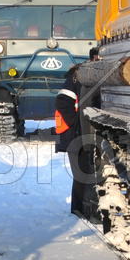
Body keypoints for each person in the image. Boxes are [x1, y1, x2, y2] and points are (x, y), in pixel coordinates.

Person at [55, 64, 85, 215]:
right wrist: (77, 123)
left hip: (80, 134)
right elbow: (62, 102)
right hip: (73, 136)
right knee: (81, 174)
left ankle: (84, 209)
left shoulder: (80, 79)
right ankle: (78, 210)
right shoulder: (73, 81)